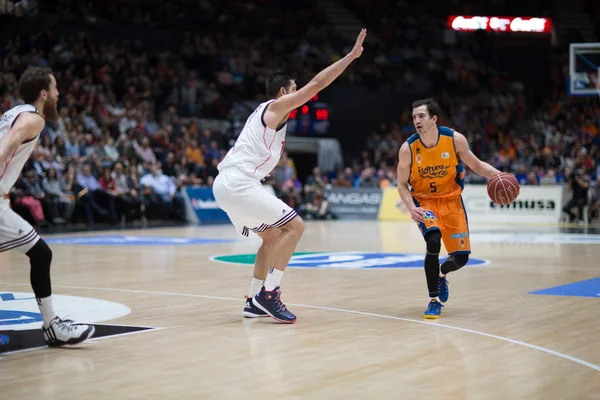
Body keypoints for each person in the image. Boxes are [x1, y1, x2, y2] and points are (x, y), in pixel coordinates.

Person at [213, 29, 367, 324]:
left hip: (227, 186)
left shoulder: (266, 114)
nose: (299, 93)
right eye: (294, 88)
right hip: (237, 184)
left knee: (270, 239)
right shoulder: (275, 107)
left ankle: (253, 300)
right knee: (295, 227)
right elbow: (318, 83)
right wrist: (350, 57)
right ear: (284, 92)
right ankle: (271, 294)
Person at [0, 67, 95, 345]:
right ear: (43, 94)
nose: (58, 93)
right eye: (54, 89)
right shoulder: (33, 118)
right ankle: (52, 327)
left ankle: (52, 326)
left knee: (41, 254)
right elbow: (10, 142)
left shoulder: (14, 111)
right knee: (41, 254)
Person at [396, 98, 504, 319]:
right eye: (414, 117)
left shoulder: (454, 140)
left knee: (461, 258)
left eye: (421, 116)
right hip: (424, 201)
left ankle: (442, 274)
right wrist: (410, 207)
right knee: (433, 240)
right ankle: (433, 300)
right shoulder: (408, 148)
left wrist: (500, 176)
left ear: (434, 118)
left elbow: (476, 165)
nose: (416, 120)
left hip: (452, 201)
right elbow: (400, 184)